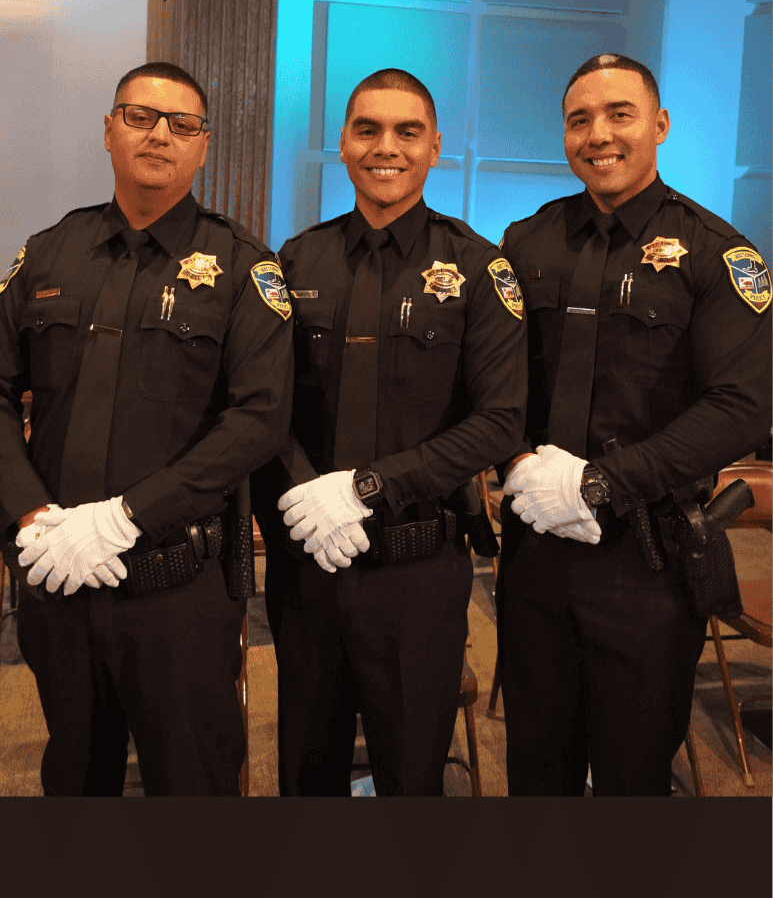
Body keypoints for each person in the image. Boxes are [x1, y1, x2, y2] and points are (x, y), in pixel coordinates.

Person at [0, 62, 294, 795]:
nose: (159, 134)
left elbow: (258, 420)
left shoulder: (241, 267)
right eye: (139, 116)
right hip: (59, 583)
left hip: (177, 593)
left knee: (192, 787)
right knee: (73, 778)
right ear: (108, 130)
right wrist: (30, 514)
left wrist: (126, 518)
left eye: (182, 124)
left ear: (203, 147)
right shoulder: (47, 254)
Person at [497, 53, 772, 796]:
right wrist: (514, 463)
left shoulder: (720, 253)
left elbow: (743, 404)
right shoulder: (525, 242)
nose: (598, 134)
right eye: (578, 118)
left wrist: (597, 482)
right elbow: (496, 379)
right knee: (534, 766)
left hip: (646, 560)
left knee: (631, 775)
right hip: (535, 554)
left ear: (658, 124)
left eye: (619, 114)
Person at [251, 68, 527, 796]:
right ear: (342, 144)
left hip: (417, 570)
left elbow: (499, 420)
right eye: (367, 129)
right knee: (307, 770)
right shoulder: (292, 262)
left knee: (410, 774)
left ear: (434, 147)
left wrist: (368, 488)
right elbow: (261, 407)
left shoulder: (476, 268)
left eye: (407, 132)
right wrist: (307, 499)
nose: (387, 147)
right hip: (309, 564)